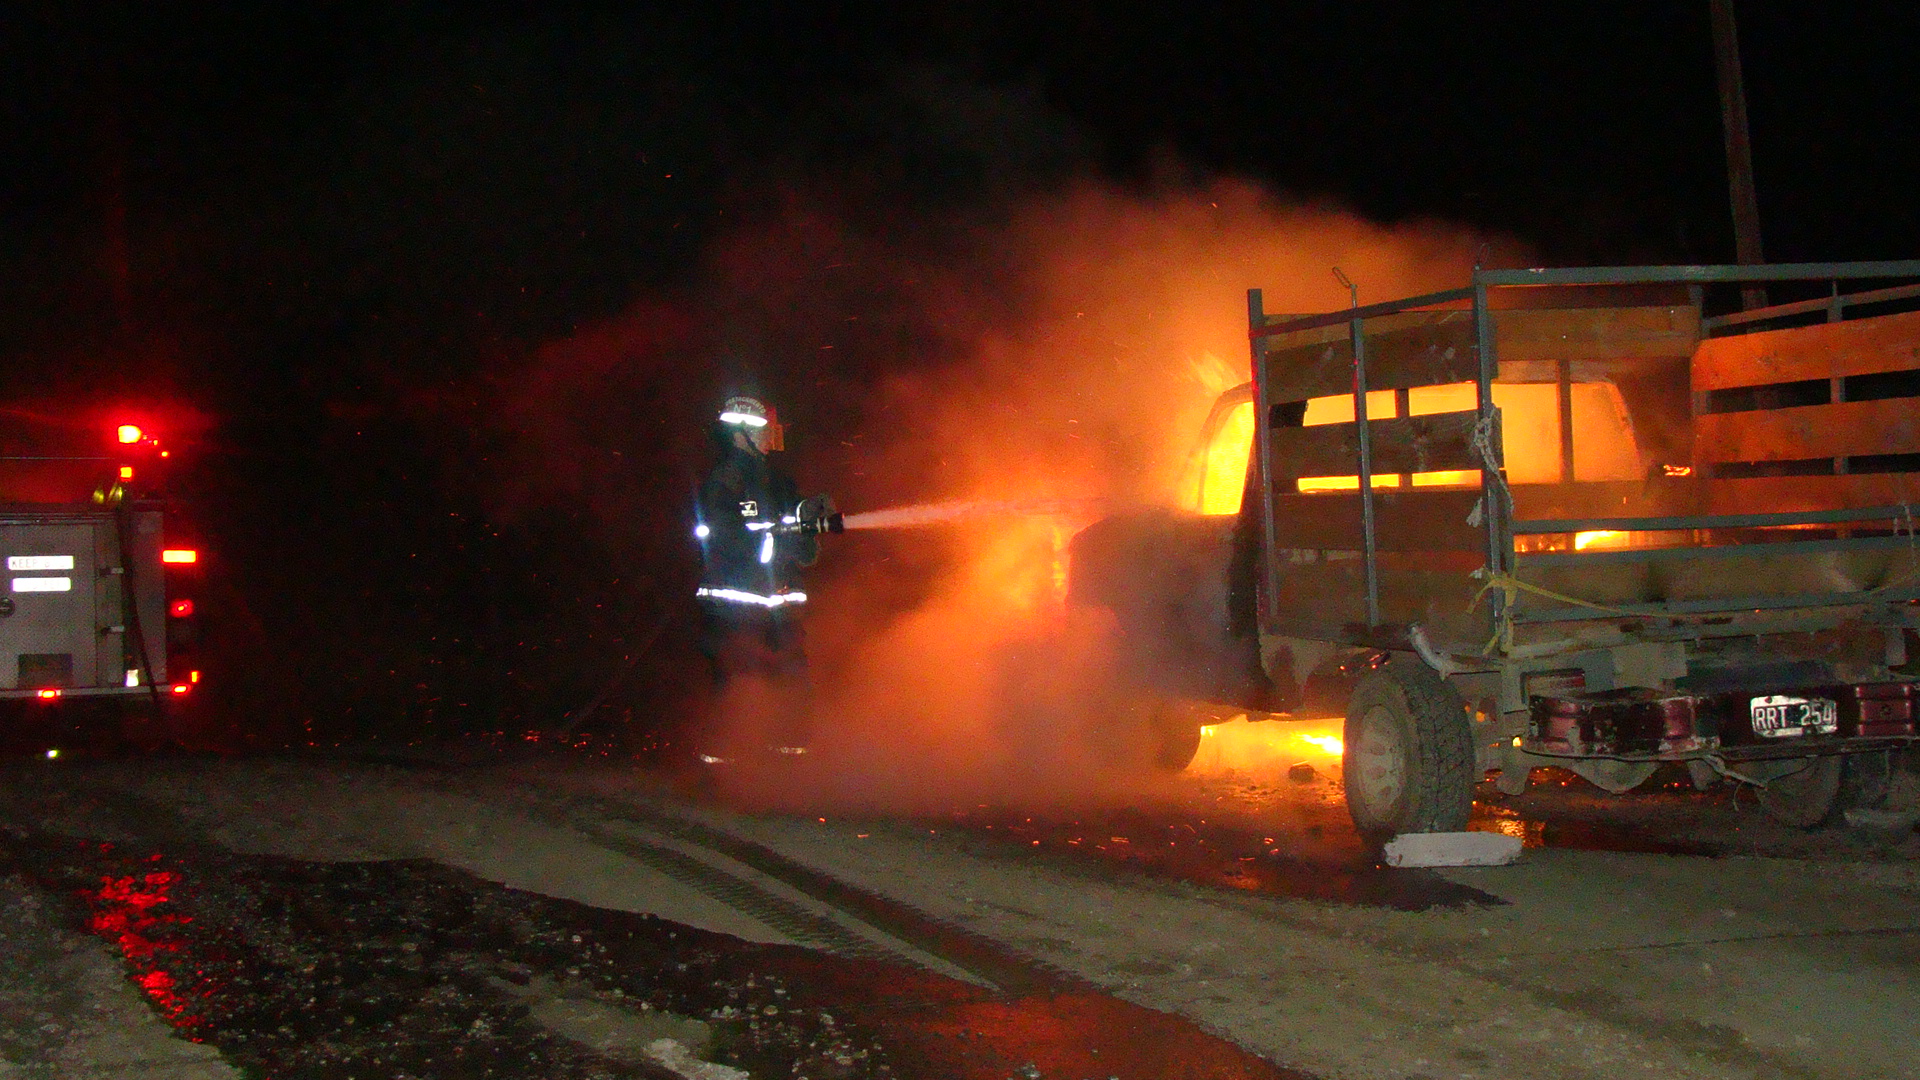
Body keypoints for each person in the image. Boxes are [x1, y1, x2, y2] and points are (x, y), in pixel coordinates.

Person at [690, 395, 833, 759]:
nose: (772, 437)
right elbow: (721, 537)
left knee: (792, 680)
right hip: (736, 604)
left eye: (773, 430)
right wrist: (774, 535)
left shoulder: (779, 481)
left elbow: (795, 532)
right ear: (742, 434)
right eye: (765, 431)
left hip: (780, 604)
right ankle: (723, 770)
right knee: (737, 681)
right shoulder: (725, 481)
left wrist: (810, 528)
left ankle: (789, 764)